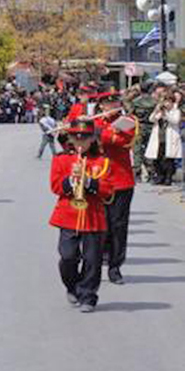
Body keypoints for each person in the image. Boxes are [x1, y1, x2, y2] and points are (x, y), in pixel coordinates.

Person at [48, 118, 114, 313]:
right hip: (68, 214)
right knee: (67, 256)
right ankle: (72, 286)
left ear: (92, 139)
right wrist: (71, 180)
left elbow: (109, 190)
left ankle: (88, 296)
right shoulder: (61, 159)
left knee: (92, 260)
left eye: (85, 139)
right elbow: (55, 186)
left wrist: (88, 183)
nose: (80, 143)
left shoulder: (102, 161)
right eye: (76, 139)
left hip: (93, 216)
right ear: (69, 138)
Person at [95, 90, 137, 285]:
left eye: (114, 103)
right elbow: (79, 141)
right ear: (101, 105)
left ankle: (115, 266)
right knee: (98, 225)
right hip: (98, 179)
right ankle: (95, 262)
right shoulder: (94, 122)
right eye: (107, 104)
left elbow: (122, 141)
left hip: (121, 180)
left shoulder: (127, 121)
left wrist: (102, 132)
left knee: (118, 226)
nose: (111, 106)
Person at [145, 87, 181, 186]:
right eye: (165, 101)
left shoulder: (175, 111)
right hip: (159, 138)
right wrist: (156, 111)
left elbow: (175, 121)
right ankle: (160, 176)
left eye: (169, 101)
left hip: (170, 138)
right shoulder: (160, 111)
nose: (167, 104)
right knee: (157, 159)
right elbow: (151, 119)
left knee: (168, 160)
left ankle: (168, 178)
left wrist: (166, 115)